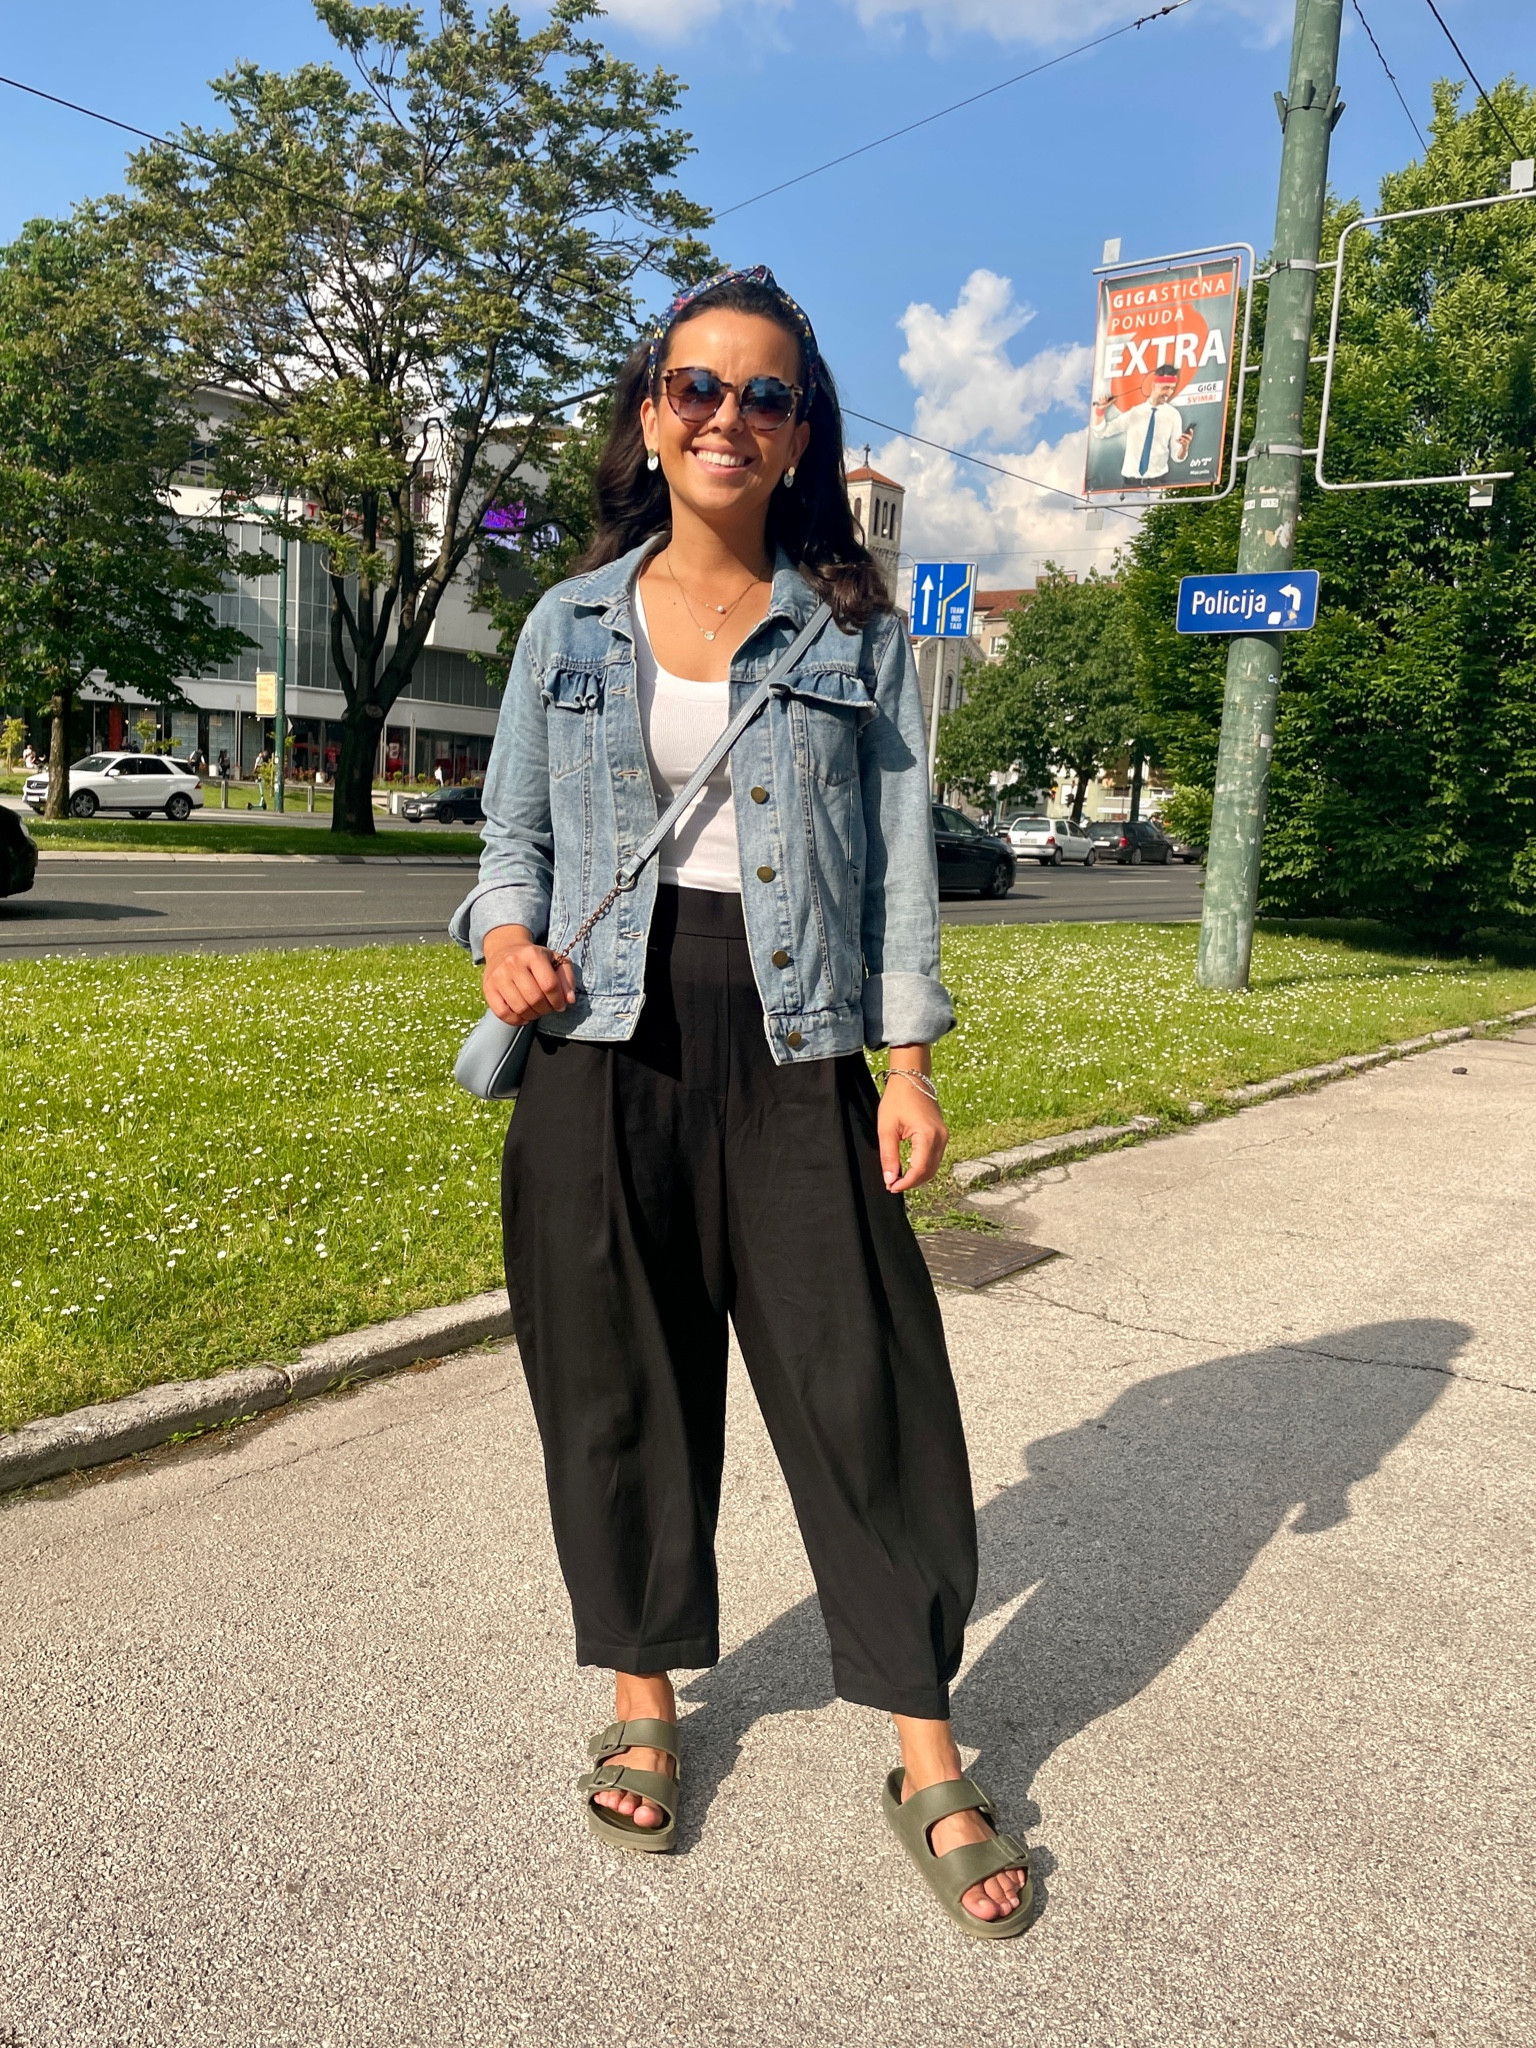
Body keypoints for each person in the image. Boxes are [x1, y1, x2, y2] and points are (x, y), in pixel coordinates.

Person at [450, 266, 1031, 1937]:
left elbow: (901, 866)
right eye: (697, 387)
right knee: (618, 1381)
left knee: (867, 1386)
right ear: (650, 415)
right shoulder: (566, 624)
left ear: (801, 437)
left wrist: (907, 1060)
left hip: (793, 1042)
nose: (728, 416)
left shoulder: (851, 629)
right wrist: (501, 936)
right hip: (599, 1040)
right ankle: (643, 1697)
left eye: (763, 396)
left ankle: (922, 1740)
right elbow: (509, 845)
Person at [1090, 358, 1194, 484]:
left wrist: (1184, 448)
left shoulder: (1173, 415)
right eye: (1165, 388)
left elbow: (1177, 457)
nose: (1169, 393)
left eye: (1172, 388)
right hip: (1130, 484)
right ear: (1154, 385)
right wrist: (1100, 411)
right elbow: (1101, 432)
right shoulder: (1134, 413)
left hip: (1158, 483)